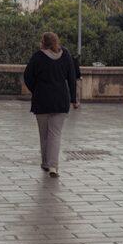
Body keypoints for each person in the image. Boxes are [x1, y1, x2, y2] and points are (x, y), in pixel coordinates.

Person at [23, 32, 79, 177]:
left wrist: (36, 89)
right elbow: (72, 78)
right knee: (55, 134)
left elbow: (27, 76)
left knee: (44, 134)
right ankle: (53, 166)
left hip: (41, 100)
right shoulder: (65, 55)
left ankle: (46, 163)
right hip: (61, 100)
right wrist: (74, 99)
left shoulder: (37, 57)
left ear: (43, 42)